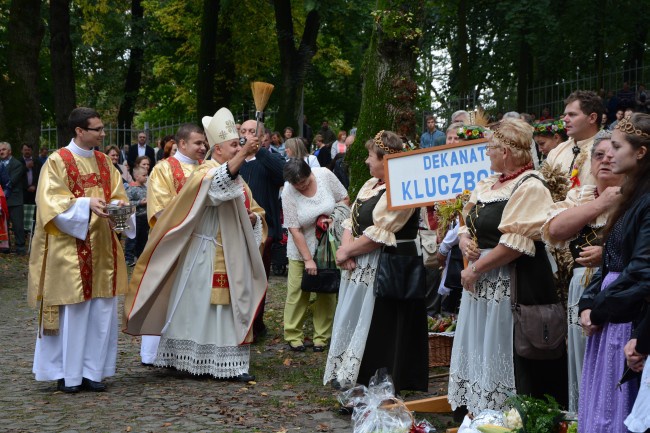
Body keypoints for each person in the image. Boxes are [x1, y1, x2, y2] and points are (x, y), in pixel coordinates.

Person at [124, 107, 267, 382]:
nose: (238, 148)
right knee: (197, 309)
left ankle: (227, 362)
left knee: (225, 310)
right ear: (219, 150)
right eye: (233, 145)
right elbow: (215, 189)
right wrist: (244, 151)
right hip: (202, 252)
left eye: (238, 144)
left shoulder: (235, 176)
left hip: (229, 252)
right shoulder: (205, 172)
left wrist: (252, 218)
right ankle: (185, 359)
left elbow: (255, 209)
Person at [448, 118, 567, 418]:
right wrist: (465, 242)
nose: (487, 153)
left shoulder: (530, 186)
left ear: (508, 152)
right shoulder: (488, 184)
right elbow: (466, 221)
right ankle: (479, 408)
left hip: (513, 279)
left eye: (491, 148)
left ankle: (510, 413)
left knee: (507, 342)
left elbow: (515, 243)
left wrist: (475, 269)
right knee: (481, 340)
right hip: (482, 278)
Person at [28, 107, 133, 393]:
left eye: (102, 128)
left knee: (101, 312)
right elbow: (49, 202)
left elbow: (118, 195)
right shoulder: (57, 161)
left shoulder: (103, 161)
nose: (102, 133)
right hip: (69, 250)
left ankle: (92, 371)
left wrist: (118, 208)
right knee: (72, 313)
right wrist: (87, 204)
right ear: (79, 131)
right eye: (97, 129)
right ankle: (67, 374)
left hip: (103, 249)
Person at [324, 130, 428, 394]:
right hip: (360, 261)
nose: (366, 162)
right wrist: (345, 249)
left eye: (371, 156)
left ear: (385, 159)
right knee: (356, 317)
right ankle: (350, 373)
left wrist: (347, 252)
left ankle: (372, 382)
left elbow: (381, 234)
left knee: (377, 326)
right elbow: (351, 219)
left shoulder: (403, 189)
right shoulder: (370, 185)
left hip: (386, 265)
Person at [542, 130, 624, 414]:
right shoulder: (582, 195)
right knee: (582, 358)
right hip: (581, 289)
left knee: (615, 360)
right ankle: (584, 418)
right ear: (590, 164)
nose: (605, 161)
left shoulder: (637, 198)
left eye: (612, 155)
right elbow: (555, 230)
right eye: (598, 156)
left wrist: (608, 254)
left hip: (621, 288)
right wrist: (600, 204)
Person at [578, 113, 650, 433]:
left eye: (617, 147)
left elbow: (641, 271)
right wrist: (587, 302)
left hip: (625, 316)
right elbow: (609, 260)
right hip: (610, 311)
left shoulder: (647, 201)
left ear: (640, 153)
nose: (608, 154)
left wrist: (600, 309)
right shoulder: (629, 197)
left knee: (617, 410)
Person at [135, 123, 207, 364]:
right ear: (182, 144)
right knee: (165, 296)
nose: (203, 147)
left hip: (200, 245)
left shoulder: (206, 169)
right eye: (198, 143)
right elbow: (160, 210)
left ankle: (185, 353)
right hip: (172, 242)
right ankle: (154, 354)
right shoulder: (163, 169)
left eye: (204, 143)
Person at [281, 159, 348, 352]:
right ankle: (293, 334)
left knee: (326, 291)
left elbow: (344, 198)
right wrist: (307, 259)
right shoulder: (288, 191)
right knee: (297, 291)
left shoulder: (325, 175)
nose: (301, 187)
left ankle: (322, 337)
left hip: (327, 247)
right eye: (297, 185)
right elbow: (294, 228)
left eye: (304, 182)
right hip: (301, 248)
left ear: (309, 172)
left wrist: (332, 217)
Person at [238, 118, 286, 340]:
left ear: (262, 136)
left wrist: (261, 151)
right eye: (243, 131)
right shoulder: (234, 160)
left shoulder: (269, 158)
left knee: (258, 281)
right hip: (235, 230)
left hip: (263, 232)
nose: (247, 135)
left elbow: (284, 174)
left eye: (252, 131)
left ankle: (255, 326)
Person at [543, 90, 605, 189]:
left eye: (572, 115)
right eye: (565, 115)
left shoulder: (609, 152)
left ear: (592, 118)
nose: (564, 119)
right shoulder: (556, 152)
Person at [0, 142, 26, 254]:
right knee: (3, 225)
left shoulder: (17, 164)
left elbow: (12, 181)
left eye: (4, 149)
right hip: (1, 200)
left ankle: (20, 248)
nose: (1, 152)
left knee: (18, 225)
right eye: (0, 150)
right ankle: (5, 247)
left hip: (14, 199)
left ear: (10, 151)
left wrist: (3, 192)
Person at [126, 167, 149, 267]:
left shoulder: (145, 188)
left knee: (143, 238)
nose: (146, 177)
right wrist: (140, 203)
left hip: (145, 217)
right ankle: (129, 258)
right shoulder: (131, 189)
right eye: (144, 175)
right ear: (136, 176)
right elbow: (127, 202)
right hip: (136, 218)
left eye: (146, 175)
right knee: (132, 238)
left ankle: (140, 257)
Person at [20, 143, 42, 236]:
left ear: (31, 151)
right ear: (22, 151)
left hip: (35, 192)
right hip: (23, 192)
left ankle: (33, 231)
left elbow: (41, 176)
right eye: (25, 150)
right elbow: (17, 176)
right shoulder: (18, 162)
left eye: (29, 150)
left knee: (34, 212)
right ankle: (23, 232)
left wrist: (35, 186)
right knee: (22, 212)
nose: (27, 152)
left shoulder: (38, 162)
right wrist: (26, 167)